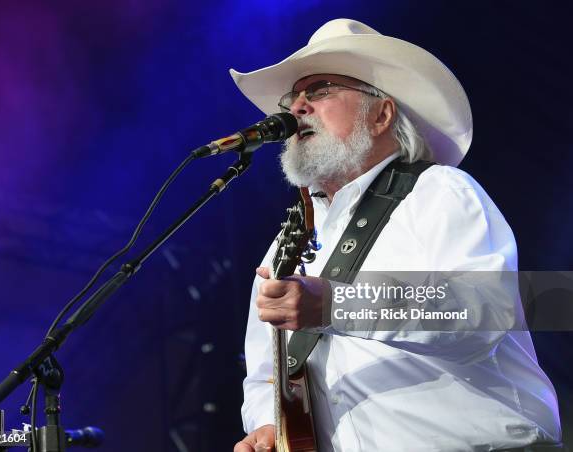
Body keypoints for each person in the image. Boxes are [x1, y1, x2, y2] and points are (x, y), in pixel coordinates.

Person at [231, 19, 562, 451]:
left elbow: (486, 310)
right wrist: (268, 423)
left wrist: (335, 303)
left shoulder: (439, 191)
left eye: (321, 90)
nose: (297, 108)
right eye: (294, 97)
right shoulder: (287, 242)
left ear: (382, 114)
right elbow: (264, 374)